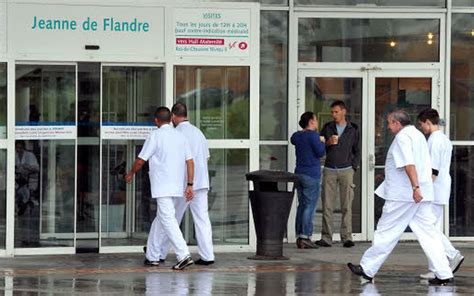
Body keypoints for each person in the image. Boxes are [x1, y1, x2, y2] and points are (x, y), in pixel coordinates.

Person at [347, 110, 453, 286]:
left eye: (389, 123)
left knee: (386, 231)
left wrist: (415, 188)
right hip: (422, 193)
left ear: (397, 123)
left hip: (404, 195)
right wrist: (419, 189)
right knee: (429, 234)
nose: (387, 127)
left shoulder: (403, 137)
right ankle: (444, 272)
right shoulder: (418, 135)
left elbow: (408, 164)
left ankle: (367, 268)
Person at [125, 106, 195, 270]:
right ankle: (152, 255)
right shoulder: (180, 137)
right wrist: (190, 184)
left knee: (168, 219)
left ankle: (183, 254)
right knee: (161, 219)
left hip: (162, 186)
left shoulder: (155, 135)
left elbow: (141, 160)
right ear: (171, 118)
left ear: (156, 121)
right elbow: (190, 162)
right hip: (178, 185)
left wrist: (130, 173)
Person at [156, 102, 215, 265]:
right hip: (202, 183)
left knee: (171, 219)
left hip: (184, 185)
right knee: (202, 219)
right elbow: (206, 157)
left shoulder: (176, 134)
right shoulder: (199, 133)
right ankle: (207, 255)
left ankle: (160, 253)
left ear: (173, 116)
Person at [417, 108, 464, 279]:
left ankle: (451, 255)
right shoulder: (445, 139)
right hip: (442, 188)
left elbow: (433, 170)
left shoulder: (434, 141)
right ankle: (437, 267)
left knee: (430, 229)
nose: (422, 128)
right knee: (432, 228)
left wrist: (421, 190)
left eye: (422, 125)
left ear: (428, 122)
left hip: (434, 190)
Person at [315, 100, 360, 248]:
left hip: (347, 169)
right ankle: (326, 237)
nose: (334, 115)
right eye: (332, 112)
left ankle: (346, 237)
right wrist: (328, 142)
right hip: (329, 169)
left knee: (347, 205)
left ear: (343, 111)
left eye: (336, 112)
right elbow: (320, 147)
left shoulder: (353, 128)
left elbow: (357, 150)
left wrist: (353, 167)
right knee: (327, 205)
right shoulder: (327, 127)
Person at [290, 112, 325, 249]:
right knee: (310, 206)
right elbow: (320, 152)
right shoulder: (313, 136)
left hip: (299, 173)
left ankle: (299, 235)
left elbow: (293, 139)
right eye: (315, 120)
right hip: (311, 174)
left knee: (302, 205)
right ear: (311, 121)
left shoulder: (297, 136)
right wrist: (322, 142)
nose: (317, 123)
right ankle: (305, 236)